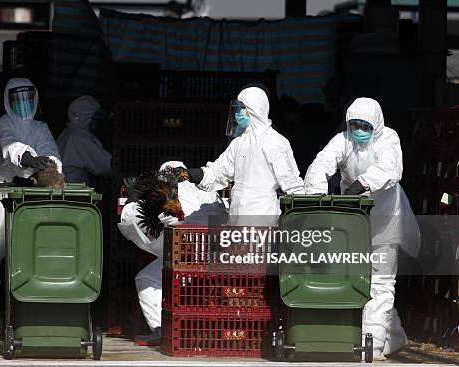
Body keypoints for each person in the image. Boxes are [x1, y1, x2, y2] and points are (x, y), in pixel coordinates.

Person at [303, 97, 420, 360]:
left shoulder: (388, 139)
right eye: (354, 124)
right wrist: (318, 195)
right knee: (359, 279)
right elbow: (321, 163)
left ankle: (374, 343)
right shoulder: (344, 140)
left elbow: (391, 169)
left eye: (365, 126)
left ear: (376, 125)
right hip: (353, 223)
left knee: (381, 281)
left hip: (386, 222)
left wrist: (362, 184)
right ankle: (395, 334)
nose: (359, 130)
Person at [0, 77, 62, 337]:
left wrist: (47, 163)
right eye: (17, 99)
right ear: (7, 100)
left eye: (28, 99)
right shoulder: (2, 124)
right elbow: (9, 144)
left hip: (32, 193)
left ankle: (30, 316)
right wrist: (26, 157)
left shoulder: (41, 127)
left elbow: (52, 153)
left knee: (30, 251)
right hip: (0, 190)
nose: (24, 104)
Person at [118, 161, 228, 346]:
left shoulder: (165, 197)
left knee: (145, 279)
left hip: (192, 254)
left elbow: (130, 222)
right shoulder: (209, 192)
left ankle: (160, 329)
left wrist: (132, 199)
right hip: (224, 251)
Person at [185, 85, 304, 226]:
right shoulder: (239, 143)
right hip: (237, 218)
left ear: (253, 109)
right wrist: (196, 175)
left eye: (241, 107)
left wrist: (303, 218)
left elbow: (292, 184)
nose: (237, 113)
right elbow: (218, 172)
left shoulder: (275, 142)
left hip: (262, 220)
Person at [57, 95, 112, 188]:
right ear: (88, 118)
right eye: (97, 119)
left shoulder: (69, 132)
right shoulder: (80, 137)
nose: (100, 124)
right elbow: (107, 167)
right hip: (71, 194)